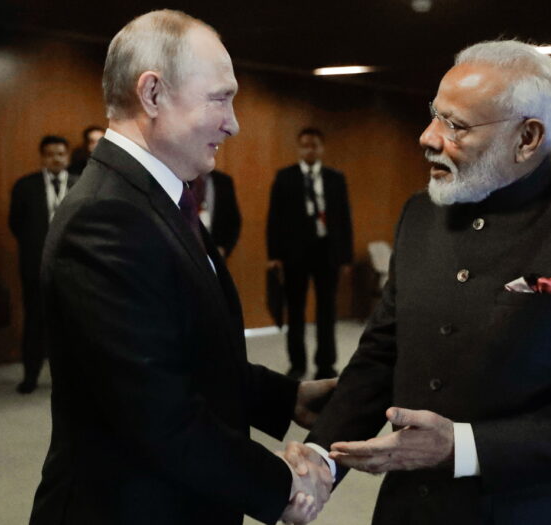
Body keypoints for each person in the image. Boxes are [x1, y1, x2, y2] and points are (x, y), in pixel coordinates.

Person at [288, 40, 551, 525]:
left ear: (528, 137)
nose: (428, 137)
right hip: (412, 511)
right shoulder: (422, 212)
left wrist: (464, 446)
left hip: (541, 512)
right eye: (434, 116)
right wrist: (320, 459)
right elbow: (381, 356)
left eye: (456, 125)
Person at [28, 10, 333, 525]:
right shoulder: (106, 217)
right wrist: (282, 485)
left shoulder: (151, 198)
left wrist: (289, 398)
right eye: (220, 97)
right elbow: (156, 412)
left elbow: (186, 351)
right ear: (151, 95)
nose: (233, 122)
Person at [267, 128, 353, 380]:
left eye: (314, 145)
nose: (309, 150)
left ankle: (326, 364)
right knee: (295, 310)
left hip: (327, 252)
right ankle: (297, 363)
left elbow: (344, 218)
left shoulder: (335, 178)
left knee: (327, 311)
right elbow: (274, 218)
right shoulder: (285, 178)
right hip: (295, 254)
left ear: (321, 148)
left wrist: (345, 256)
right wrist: (274, 254)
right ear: (299, 148)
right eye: (304, 146)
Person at [9, 135, 77, 394]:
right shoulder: (25, 186)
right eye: (50, 154)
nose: (56, 159)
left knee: (73, 325)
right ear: (42, 157)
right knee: (35, 322)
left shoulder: (81, 183)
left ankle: (72, 379)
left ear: (68, 156)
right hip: (35, 266)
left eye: (60, 154)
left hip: (74, 268)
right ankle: (30, 376)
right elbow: (16, 224)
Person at [193, 169, 241, 258]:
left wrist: (225, 249)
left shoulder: (224, 181)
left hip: (215, 255)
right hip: (188, 253)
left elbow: (233, 221)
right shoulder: (182, 180)